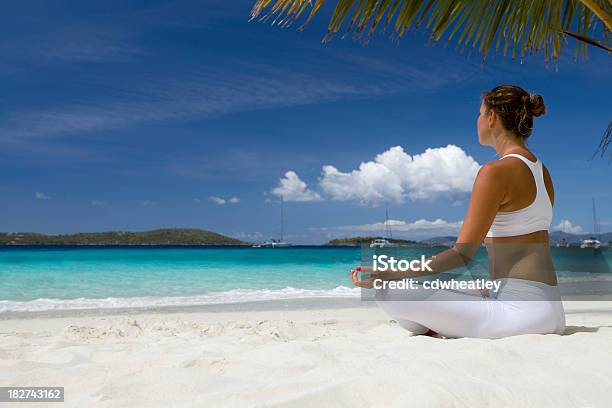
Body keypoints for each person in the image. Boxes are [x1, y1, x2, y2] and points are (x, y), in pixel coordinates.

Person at [350, 85, 566, 339]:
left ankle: (438, 327)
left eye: (480, 113)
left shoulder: (495, 172)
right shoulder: (542, 172)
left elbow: (461, 255)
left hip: (520, 316)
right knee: (466, 289)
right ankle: (449, 321)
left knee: (389, 292)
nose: (477, 120)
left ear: (492, 117)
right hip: (552, 310)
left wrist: (388, 273)